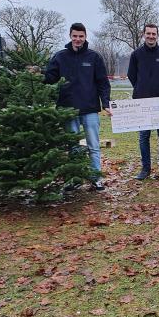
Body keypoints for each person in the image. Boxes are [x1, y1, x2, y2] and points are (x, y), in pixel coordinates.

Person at [43, 22, 111, 191]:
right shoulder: (60, 57)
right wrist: (37, 75)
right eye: (75, 36)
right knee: (73, 147)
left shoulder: (94, 57)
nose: (78, 39)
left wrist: (106, 103)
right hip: (68, 109)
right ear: (70, 36)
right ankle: (75, 179)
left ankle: (96, 179)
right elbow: (50, 77)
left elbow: (102, 82)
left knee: (93, 146)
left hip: (89, 109)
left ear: (85, 37)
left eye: (81, 36)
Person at [127, 23, 159, 181]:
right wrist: (140, 89)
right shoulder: (136, 55)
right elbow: (132, 75)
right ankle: (145, 168)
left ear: (157, 35)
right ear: (143, 34)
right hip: (142, 103)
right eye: (148, 33)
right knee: (143, 137)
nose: (151, 36)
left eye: (154, 34)